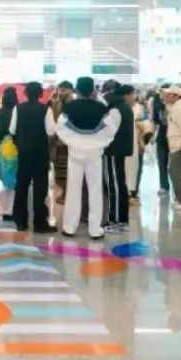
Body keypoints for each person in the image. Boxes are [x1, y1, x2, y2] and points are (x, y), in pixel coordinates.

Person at [54, 77, 121, 239]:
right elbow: (110, 129)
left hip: (74, 154)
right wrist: (97, 143)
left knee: (73, 190)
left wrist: (74, 142)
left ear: (76, 90)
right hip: (94, 155)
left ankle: (69, 227)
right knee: (95, 190)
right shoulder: (101, 108)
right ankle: (95, 229)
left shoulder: (69, 107)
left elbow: (60, 128)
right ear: (93, 90)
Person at [11, 82, 54, 233]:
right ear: (40, 94)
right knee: (40, 188)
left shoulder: (18, 108)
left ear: (26, 94)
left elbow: (12, 130)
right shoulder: (46, 109)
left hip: (23, 152)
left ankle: (21, 221)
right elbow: (50, 131)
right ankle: (40, 223)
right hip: (40, 153)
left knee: (21, 186)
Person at [104, 84, 136, 233]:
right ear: (126, 95)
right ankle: (121, 220)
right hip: (120, 151)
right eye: (133, 94)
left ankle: (117, 221)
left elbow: (109, 132)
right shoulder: (124, 108)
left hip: (113, 151)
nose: (134, 98)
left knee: (115, 186)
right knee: (119, 185)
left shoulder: (116, 109)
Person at [48, 81, 75, 223]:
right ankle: (64, 191)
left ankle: (67, 193)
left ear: (70, 91)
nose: (61, 92)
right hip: (57, 141)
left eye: (64, 90)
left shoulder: (74, 104)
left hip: (70, 142)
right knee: (59, 169)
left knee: (69, 169)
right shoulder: (54, 102)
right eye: (60, 89)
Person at [0, 87, 19, 221]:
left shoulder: (0, 112)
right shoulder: (18, 111)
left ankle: (6, 210)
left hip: (3, 148)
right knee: (15, 179)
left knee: (5, 179)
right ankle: (13, 209)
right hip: (16, 147)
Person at [150, 87, 171, 197]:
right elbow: (155, 121)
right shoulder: (157, 104)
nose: (163, 95)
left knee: (174, 165)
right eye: (161, 92)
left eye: (165, 93)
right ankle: (164, 185)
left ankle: (178, 187)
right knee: (162, 162)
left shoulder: (176, 105)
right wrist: (152, 135)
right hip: (162, 137)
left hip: (174, 138)